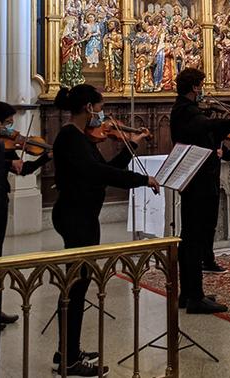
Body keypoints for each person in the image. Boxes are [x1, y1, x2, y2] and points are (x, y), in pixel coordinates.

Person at [50, 84, 159, 377]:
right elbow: (100, 174)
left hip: (82, 214)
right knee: (77, 284)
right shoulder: (70, 138)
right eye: (100, 107)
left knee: (79, 283)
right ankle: (70, 360)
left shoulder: (79, 138)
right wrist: (141, 180)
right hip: (75, 216)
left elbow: (105, 168)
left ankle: (67, 350)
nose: (103, 114)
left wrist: (131, 145)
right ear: (89, 107)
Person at [170, 67, 230, 314]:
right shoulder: (185, 110)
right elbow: (207, 125)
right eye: (202, 85)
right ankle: (194, 296)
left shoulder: (186, 110)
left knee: (193, 237)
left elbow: (209, 128)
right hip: (197, 181)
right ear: (195, 87)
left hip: (199, 179)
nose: (203, 90)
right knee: (194, 238)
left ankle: (189, 292)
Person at [0, 101, 53, 327]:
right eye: (8, 123)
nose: (12, 127)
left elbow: (24, 169)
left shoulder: (6, 144)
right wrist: (6, 160)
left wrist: (45, 157)